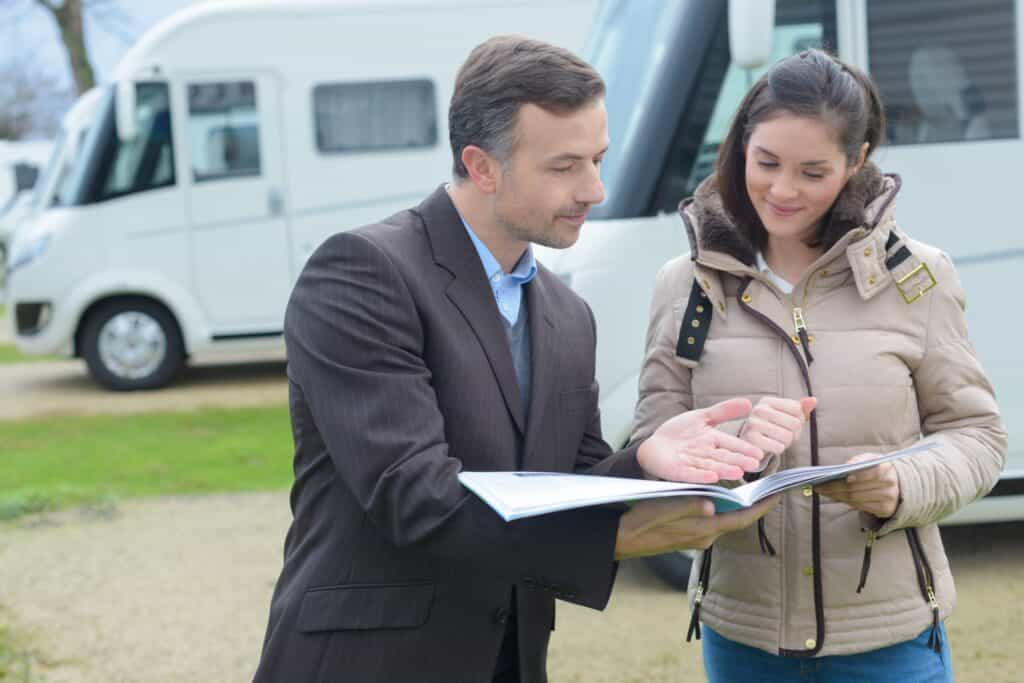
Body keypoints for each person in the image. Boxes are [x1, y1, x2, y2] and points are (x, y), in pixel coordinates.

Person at [253, 36, 775, 683]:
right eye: (565, 167)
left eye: (598, 159)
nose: (597, 189)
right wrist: (622, 537)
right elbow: (415, 498)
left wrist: (649, 460)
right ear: (482, 166)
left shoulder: (565, 312)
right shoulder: (362, 273)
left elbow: (572, 475)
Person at [629, 49, 1007, 682]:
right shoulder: (682, 284)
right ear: (740, 145)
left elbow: (979, 436)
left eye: (813, 171)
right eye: (767, 163)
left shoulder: (919, 276)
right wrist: (725, 454)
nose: (782, 190)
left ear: (856, 163)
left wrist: (900, 484)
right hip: (741, 634)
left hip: (892, 639)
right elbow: (650, 444)